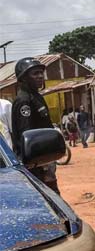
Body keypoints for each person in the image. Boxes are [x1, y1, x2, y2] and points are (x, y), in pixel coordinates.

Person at [11, 57, 61, 194]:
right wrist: (41, 164)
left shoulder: (36, 97)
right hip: (35, 165)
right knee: (50, 201)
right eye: (35, 73)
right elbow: (26, 135)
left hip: (44, 160)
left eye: (41, 73)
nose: (40, 76)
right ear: (24, 78)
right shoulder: (24, 101)